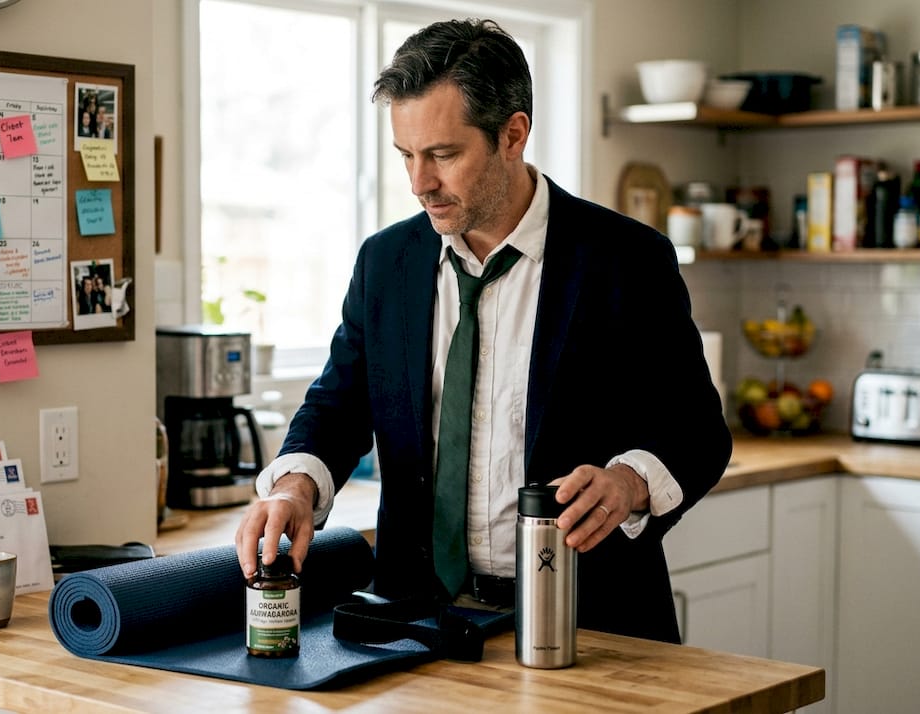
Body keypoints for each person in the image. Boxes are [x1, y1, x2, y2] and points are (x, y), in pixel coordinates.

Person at [234, 18, 731, 643]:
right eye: (407, 156)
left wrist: (628, 483)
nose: (420, 183)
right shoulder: (385, 263)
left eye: (443, 155)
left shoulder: (627, 260)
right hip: (416, 625)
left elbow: (698, 431)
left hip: (592, 623)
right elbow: (339, 405)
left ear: (512, 135)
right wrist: (297, 485)